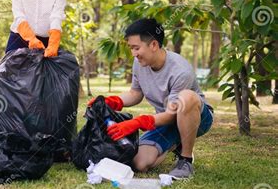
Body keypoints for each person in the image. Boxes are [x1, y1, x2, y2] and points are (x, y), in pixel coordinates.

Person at [89, 18, 214, 179]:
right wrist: (111, 101)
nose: (133, 54)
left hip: (197, 117)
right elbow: (135, 93)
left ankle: (186, 159)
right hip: (166, 120)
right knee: (139, 164)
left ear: (153, 45)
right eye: (131, 48)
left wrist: (137, 123)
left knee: (187, 98)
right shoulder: (139, 63)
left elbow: (172, 113)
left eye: (136, 48)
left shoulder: (181, 71)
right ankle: (176, 142)